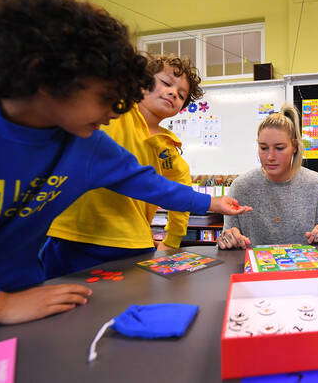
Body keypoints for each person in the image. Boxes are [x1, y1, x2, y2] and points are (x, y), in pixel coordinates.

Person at [0, 0, 249, 325]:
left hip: (23, 296)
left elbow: (148, 184)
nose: (115, 111)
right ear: (51, 77)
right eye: (106, 97)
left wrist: (210, 203)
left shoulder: (87, 142)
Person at [41, 55, 202, 279]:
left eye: (182, 95)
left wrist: (171, 242)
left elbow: (182, 199)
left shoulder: (170, 151)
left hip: (131, 243)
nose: (174, 93)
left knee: (124, 309)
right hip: (72, 233)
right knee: (60, 307)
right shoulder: (112, 114)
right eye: (166, 83)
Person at [218, 105, 318, 249]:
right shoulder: (241, 186)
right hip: (254, 269)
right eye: (263, 148)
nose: (270, 156)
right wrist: (228, 239)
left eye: (279, 148)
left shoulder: (315, 184)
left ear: (295, 147)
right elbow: (229, 240)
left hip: (304, 268)